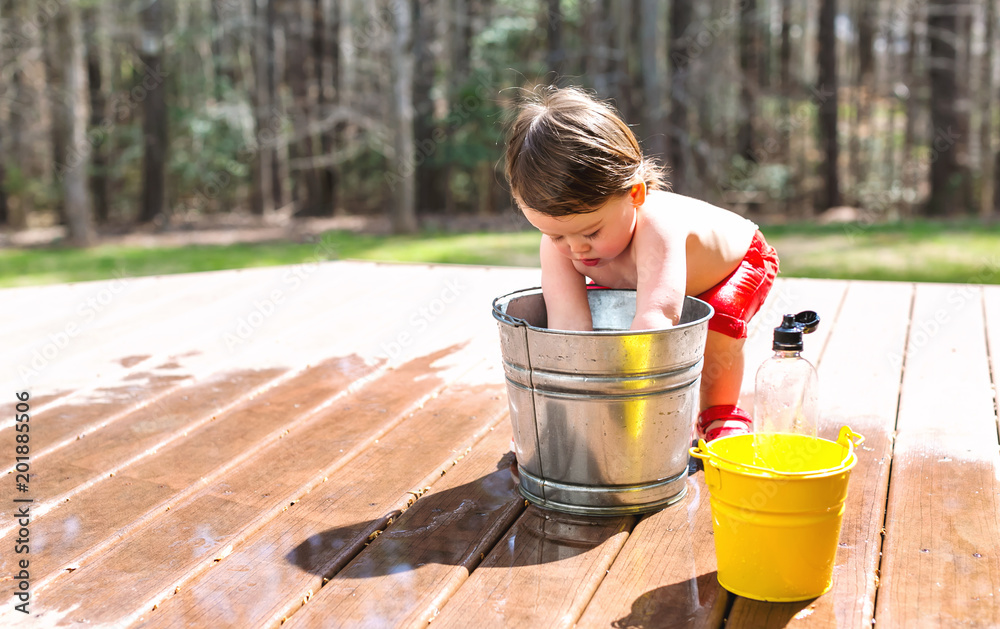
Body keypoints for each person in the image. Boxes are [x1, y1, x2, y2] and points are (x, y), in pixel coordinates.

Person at [504, 86, 779, 442]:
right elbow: (568, 326)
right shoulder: (560, 245)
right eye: (556, 235)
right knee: (609, 322)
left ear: (635, 194)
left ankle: (720, 413)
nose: (574, 248)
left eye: (591, 231)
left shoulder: (657, 226)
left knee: (718, 324)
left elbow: (658, 319)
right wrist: (570, 411)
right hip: (634, 280)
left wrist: (627, 408)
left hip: (736, 265)